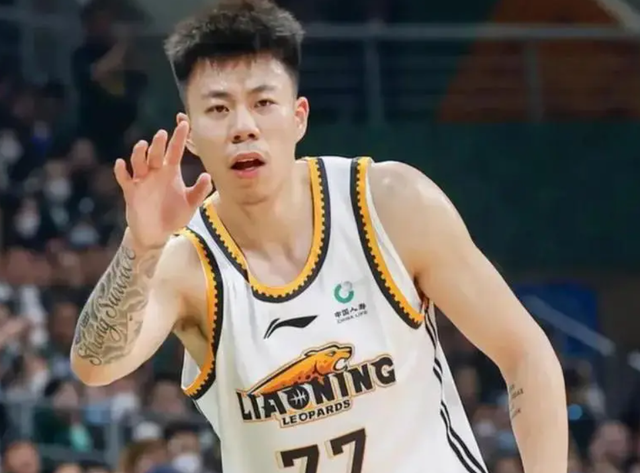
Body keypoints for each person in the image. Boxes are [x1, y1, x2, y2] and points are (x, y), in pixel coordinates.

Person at [70, 1, 568, 472]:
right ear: (191, 134)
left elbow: (525, 354)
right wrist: (142, 246)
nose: (243, 127)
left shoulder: (391, 204)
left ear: (298, 116)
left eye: (263, 102)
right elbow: (93, 366)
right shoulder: (188, 263)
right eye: (218, 109)